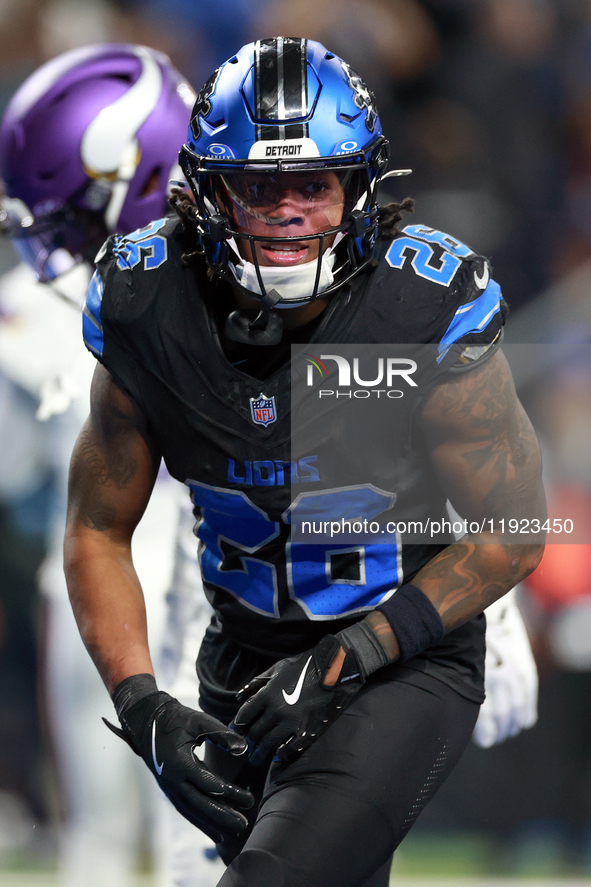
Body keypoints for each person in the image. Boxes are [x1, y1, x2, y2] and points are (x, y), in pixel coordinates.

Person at [63, 37, 546, 887]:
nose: (287, 211)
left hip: (398, 657)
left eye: (312, 185)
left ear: (358, 188)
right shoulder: (148, 300)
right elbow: (98, 529)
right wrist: (140, 705)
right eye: (257, 187)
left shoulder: (419, 303)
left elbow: (512, 528)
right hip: (242, 664)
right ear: (208, 191)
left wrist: (347, 657)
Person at [0, 43, 222, 887]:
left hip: (217, 599)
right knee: (108, 847)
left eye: (68, 212)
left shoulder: (252, 278)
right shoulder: (43, 307)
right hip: (105, 590)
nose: (51, 235)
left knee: (205, 847)